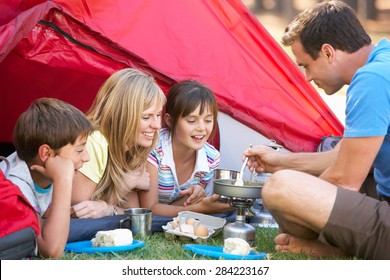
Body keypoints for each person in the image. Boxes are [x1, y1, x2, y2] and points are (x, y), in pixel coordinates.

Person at [244, 1, 390, 259]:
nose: (308, 78)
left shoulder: (372, 79)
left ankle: (337, 249)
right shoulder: (384, 59)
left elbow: (346, 179)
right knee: (330, 151)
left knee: (279, 188)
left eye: (306, 66)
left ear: (328, 52)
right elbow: (349, 156)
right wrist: (279, 162)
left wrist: (294, 207)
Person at [0, 98, 92, 258]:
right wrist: (63, 180)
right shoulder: (15, 183)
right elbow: (50, 250)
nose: (87, 157)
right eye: (79, 150)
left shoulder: (45, 172)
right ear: (46, 154)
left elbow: (48, 211)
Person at [71, 68, 166, 220]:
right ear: (122, 114)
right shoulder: (95, 141)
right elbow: (78, 212)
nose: (156, 125)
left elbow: (134, 212)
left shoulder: (134, 146)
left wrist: (109, 208)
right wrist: (125, 184)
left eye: (158, 115)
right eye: (146, 116)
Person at [139, 80, 234, 218]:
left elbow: (178, 206)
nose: (202, 128)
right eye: (191, 121)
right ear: (170, 121)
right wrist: (199, 208)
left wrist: (194, 197)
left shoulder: (211, 158)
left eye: (208, 120)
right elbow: (148, 210)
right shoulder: (154, 150)